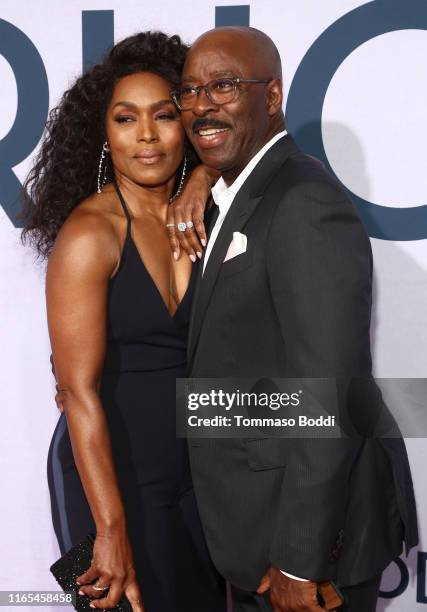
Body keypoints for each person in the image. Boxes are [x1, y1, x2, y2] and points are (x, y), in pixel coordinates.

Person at [167, 26, 419, 612]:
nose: (203, 104)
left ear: (272, 97)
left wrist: (300, 558)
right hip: (255, 530)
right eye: (190, 90)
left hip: (304, 550)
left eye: (224, 85)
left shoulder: (304, 203)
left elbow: (328, 394)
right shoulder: (244, 192)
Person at [21, 32, 225, 612]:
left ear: (187, 121)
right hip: (105, 480)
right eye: (125, 118)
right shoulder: (91, 234)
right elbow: (77, 393)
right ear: (103, 134)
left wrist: (206, 176)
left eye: (164, 115)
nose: (146, 136)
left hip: (194, 472)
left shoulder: (213, 214)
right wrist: (110, 532)